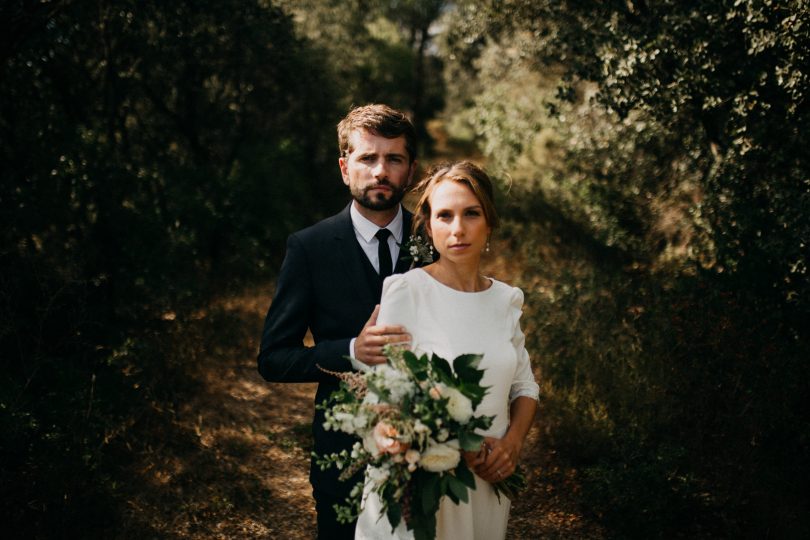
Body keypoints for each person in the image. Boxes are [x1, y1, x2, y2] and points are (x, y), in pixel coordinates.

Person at [258, 104, 419, 540]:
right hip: (343, 453)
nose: (380, 171)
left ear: (410, 170)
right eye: (368, 158)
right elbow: (274, 359)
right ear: (345, 168)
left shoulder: (436, 241)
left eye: (394, 159)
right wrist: (350, 352)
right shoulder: (308, 248)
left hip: (430, 450)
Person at [354, 161, 540, 540]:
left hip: (488, 484)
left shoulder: (506, 300)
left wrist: (513, 445)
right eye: (445, 215)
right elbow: (382, 396)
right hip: (423, 488)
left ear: (489, 221)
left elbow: (525, 387)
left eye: (471, 214)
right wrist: (404, 435)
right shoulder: (407, 292)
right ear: (428, 225)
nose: (457, 229)